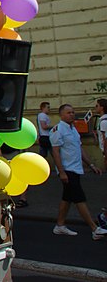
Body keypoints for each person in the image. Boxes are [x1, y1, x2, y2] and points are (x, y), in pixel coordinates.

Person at [50, 104, 107, 240]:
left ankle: (60, 225)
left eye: (73, 112)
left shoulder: (73, 129)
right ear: (61, 115)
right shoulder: (57, 130)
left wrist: (92, 165)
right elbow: (56, 152)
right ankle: (94, 228)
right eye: (69, 112)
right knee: (79, 198)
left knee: (68, 198)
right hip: (67, 170)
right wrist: (61, 172)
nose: (72, 114)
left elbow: (80, 149)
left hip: (76, 169)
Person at [95, 98, 107, 169]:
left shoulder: (104, 121)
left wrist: (106, 157)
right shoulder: (102, 120)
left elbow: (106, 140)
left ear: (102, 107)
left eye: (97, 106)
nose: (95, 107)